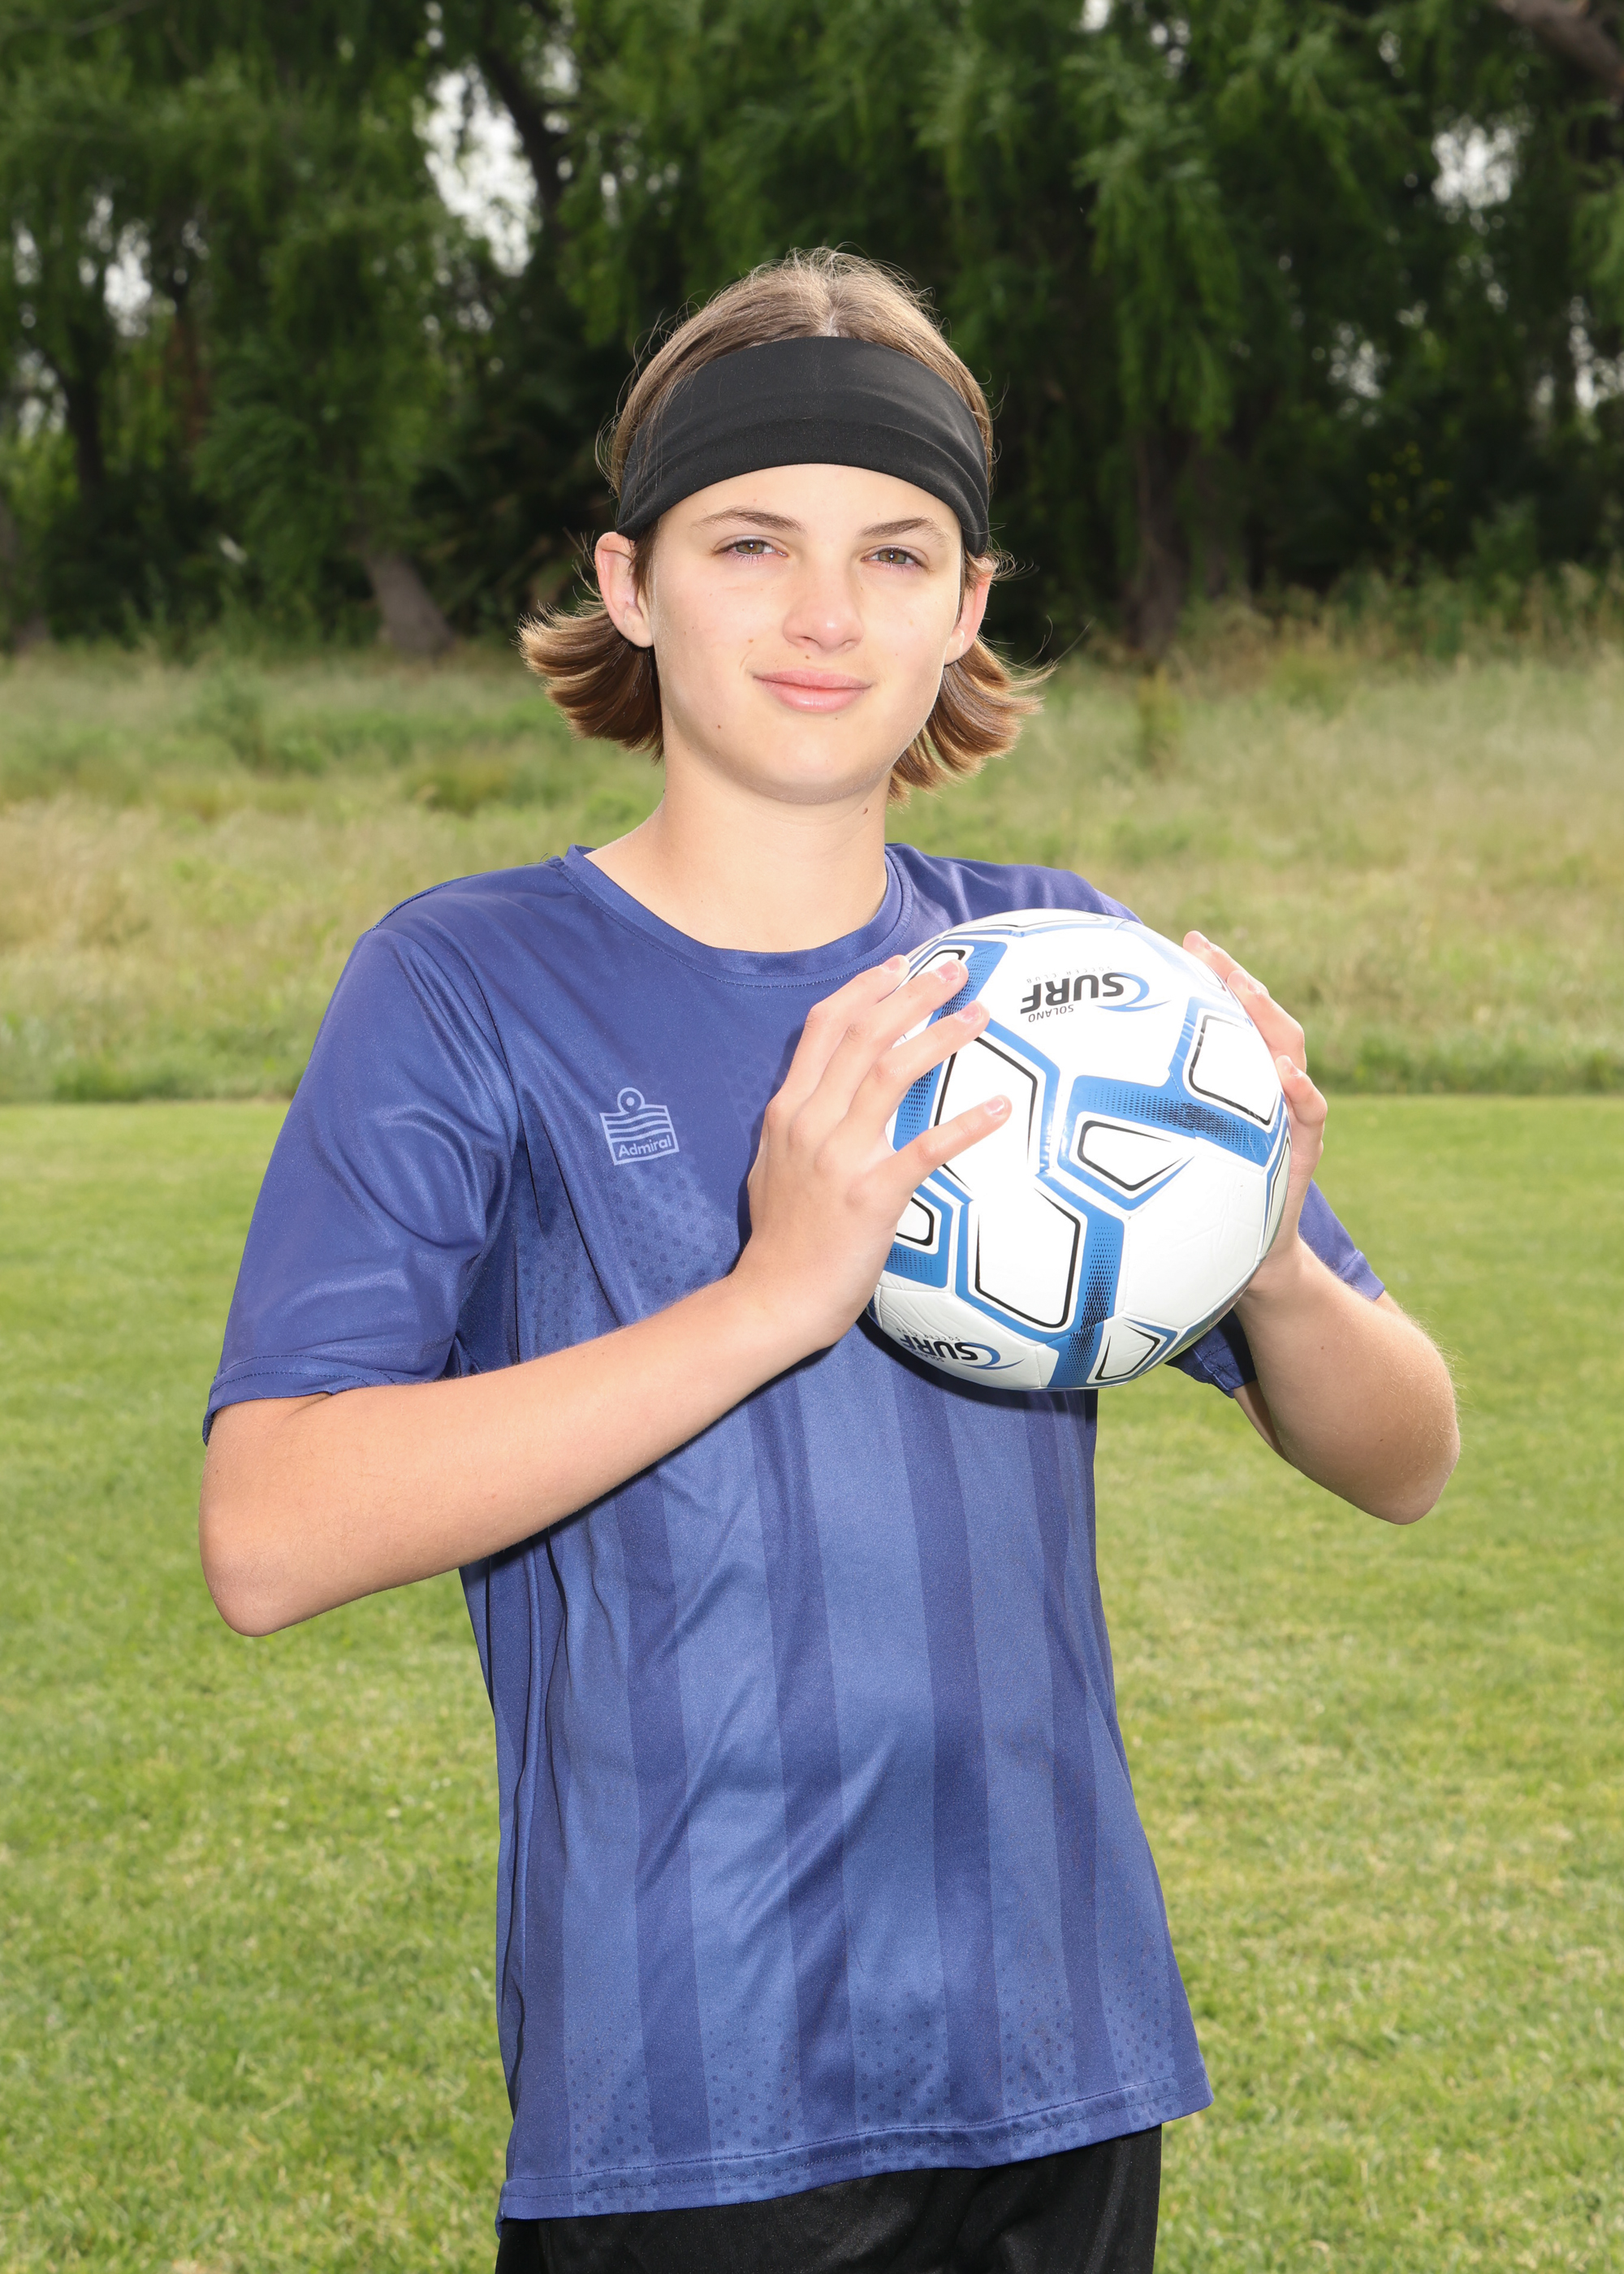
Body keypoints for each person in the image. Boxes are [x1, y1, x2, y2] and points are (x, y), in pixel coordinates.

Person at [201, 249, 1459, 2274]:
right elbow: (268, 1529)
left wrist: (1271, 1250)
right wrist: (767, 1299)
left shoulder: (1058, 974)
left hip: (1061, 2061)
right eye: (750, 542)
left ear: (967, 606)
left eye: (894, 554)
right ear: (629, 583)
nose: (823, 612)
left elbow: (1406, 1454)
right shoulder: (466, 983)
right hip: (693, 2099)